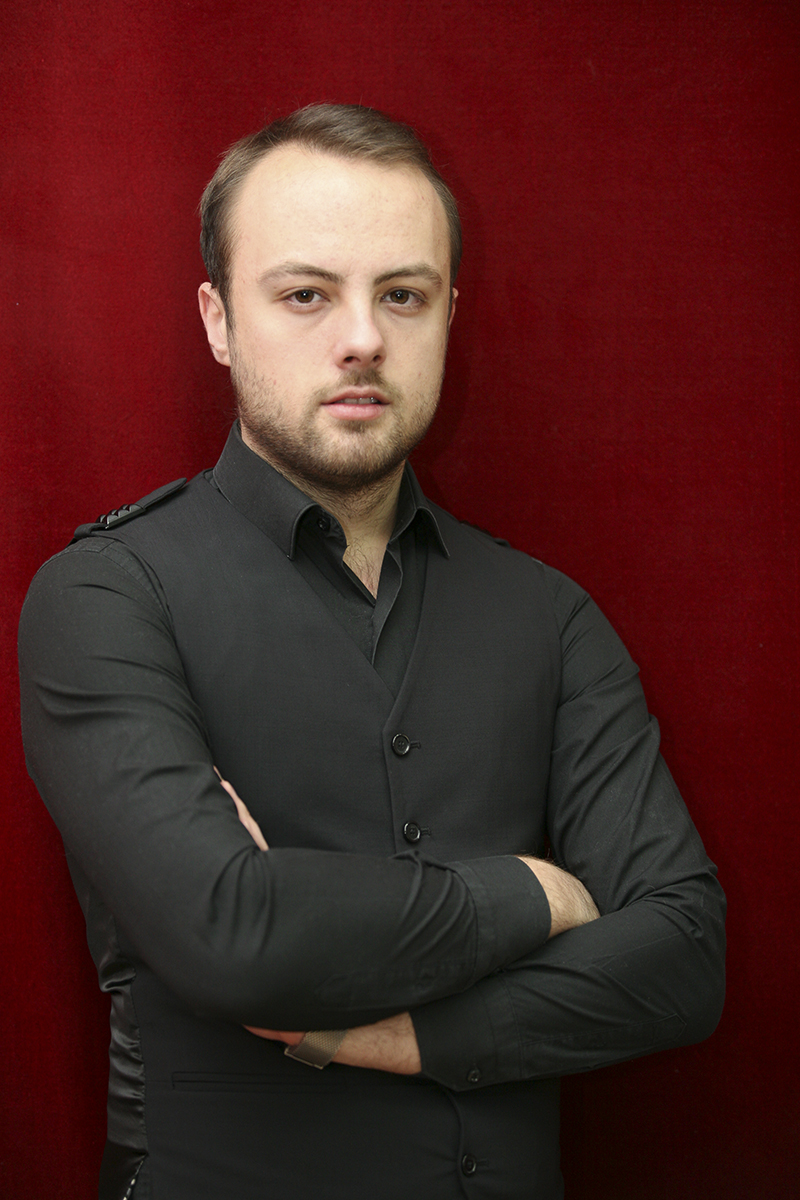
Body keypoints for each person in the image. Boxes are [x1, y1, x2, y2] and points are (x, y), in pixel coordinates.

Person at [18, 104, 725, 1200]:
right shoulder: (109, 596)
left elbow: (682, 962)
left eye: (403, 294)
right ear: (217, 320)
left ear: (449, 314)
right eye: (305, 294)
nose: (362, 338)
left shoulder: (548, 613)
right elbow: (234, 934)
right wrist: (533, 895)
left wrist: (387, 1037)